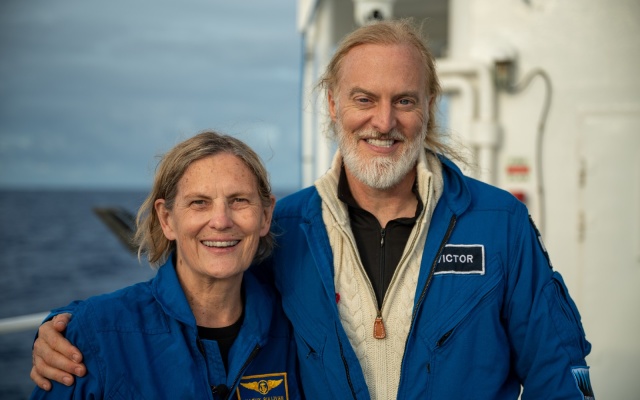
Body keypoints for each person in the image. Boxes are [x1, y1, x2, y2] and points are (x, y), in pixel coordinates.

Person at [31, 19, 594, 399]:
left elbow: (555, 364)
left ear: (429, 108)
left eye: (404, 100)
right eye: (363, 99)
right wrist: (71, 327)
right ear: (332, 104)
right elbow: (195, 294)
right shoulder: (288, 228)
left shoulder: (498, 223)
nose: (384, 121)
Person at [29, 131, 302, 399]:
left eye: (239, 200)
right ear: (167, 219)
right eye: (199, 203)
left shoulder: (298, 327)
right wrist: (69, 327)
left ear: (265, 215)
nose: (221, 221)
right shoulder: (94, 335)